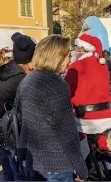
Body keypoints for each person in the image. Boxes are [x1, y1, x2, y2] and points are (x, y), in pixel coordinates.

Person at [15, 34, 88, 181]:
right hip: (57, 164)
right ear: (57, 57)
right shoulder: (57, 85)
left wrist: (22, 157)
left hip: (34, 161)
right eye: (68, 55)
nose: (70, 59)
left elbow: (21, 123)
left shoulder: (27, 80)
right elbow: (67, 133)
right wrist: (81, 167)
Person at [0, 33, 36, 181]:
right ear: (29, 61)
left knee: (8, 175)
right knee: (20, 176)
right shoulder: (23, 79)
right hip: (13, 136)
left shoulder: (4, 71)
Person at [65, 33, 111, 151]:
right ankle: (110, 167)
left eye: (76, 46)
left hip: (85, 116)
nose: (75, 49)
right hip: (105, 114)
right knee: (101, 148)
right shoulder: (102, 65)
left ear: (82, 48)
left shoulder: (76, 66)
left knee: (69, 146)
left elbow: (66, 90)